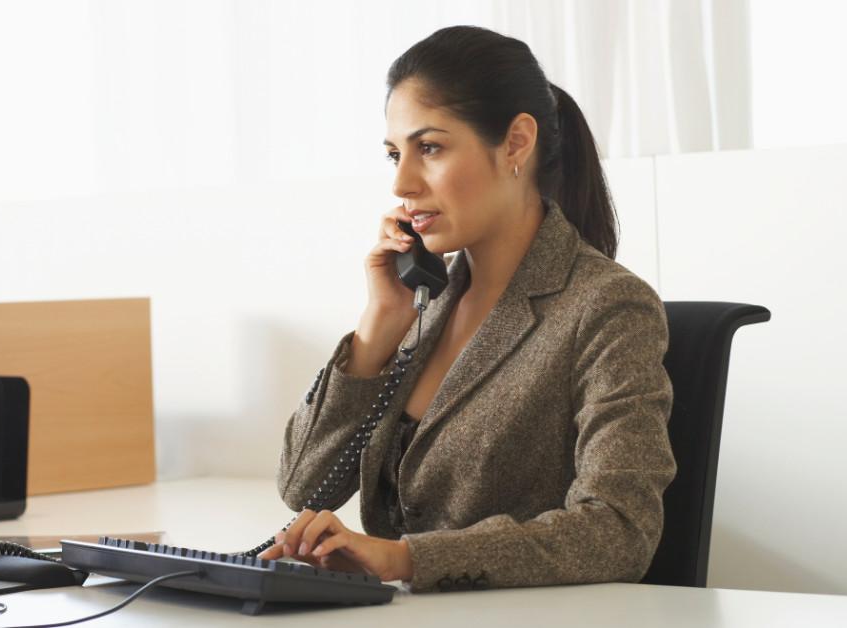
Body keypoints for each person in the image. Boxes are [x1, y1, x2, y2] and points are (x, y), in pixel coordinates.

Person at [258, 25, 676, 593]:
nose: (402, 183)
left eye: (429, 148)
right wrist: (379, 325)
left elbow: (619, 531)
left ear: (515, 143)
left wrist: (404, 559)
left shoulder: (607, 307)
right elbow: (303, 488)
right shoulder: (424, 304)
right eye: (394, 154)